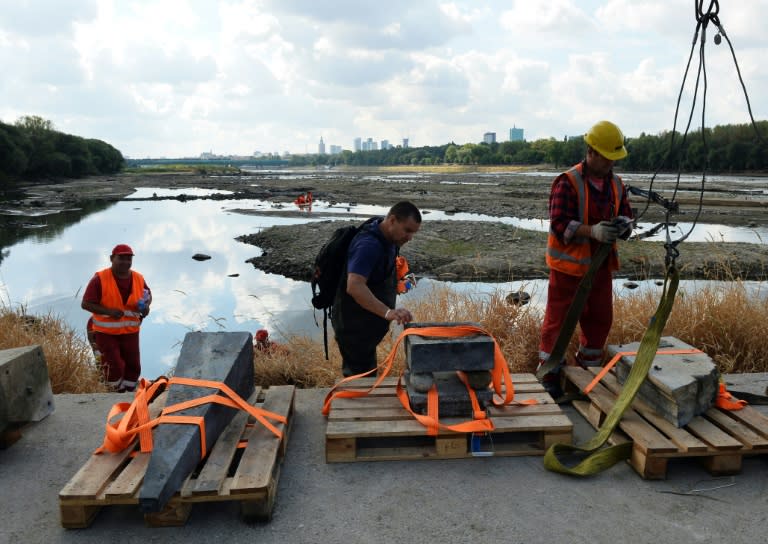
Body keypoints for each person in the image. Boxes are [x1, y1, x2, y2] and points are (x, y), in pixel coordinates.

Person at [538, 120, 634, 397]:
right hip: (569, 268)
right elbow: (558, 223)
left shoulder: (616, 184)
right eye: (608, 158)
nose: (611, 164)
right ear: (592, 152)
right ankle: (550, 374)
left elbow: (627, 214)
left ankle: (587, 372)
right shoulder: (567, 182)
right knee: (558, 322)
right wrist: (591, 231)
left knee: (600, 320)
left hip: (601, 266)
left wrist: (624, 226)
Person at [331, 201, 422, 377]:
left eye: (414, 233)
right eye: (407, 230)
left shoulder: (389, 237)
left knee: (367, 373)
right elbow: (354, 286)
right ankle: (356, 402)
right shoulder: (368, 245)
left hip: (366, 327)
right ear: (393, 220)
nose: (410, 237)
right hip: (354, 328)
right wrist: (388, 312)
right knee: (360, 380)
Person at [81, 244, 151, 392]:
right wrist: (109, 312)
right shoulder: (99, 279)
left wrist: (145, 307)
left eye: (129, 258)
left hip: (131, 331)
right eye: (121, 258)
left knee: (134, 366)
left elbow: (147, 296)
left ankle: (129, 392)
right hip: (106, 333)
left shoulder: (138, 278)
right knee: (115, 366)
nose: (125, 262)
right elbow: (86, 304)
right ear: (112, 258)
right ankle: (114, 394)